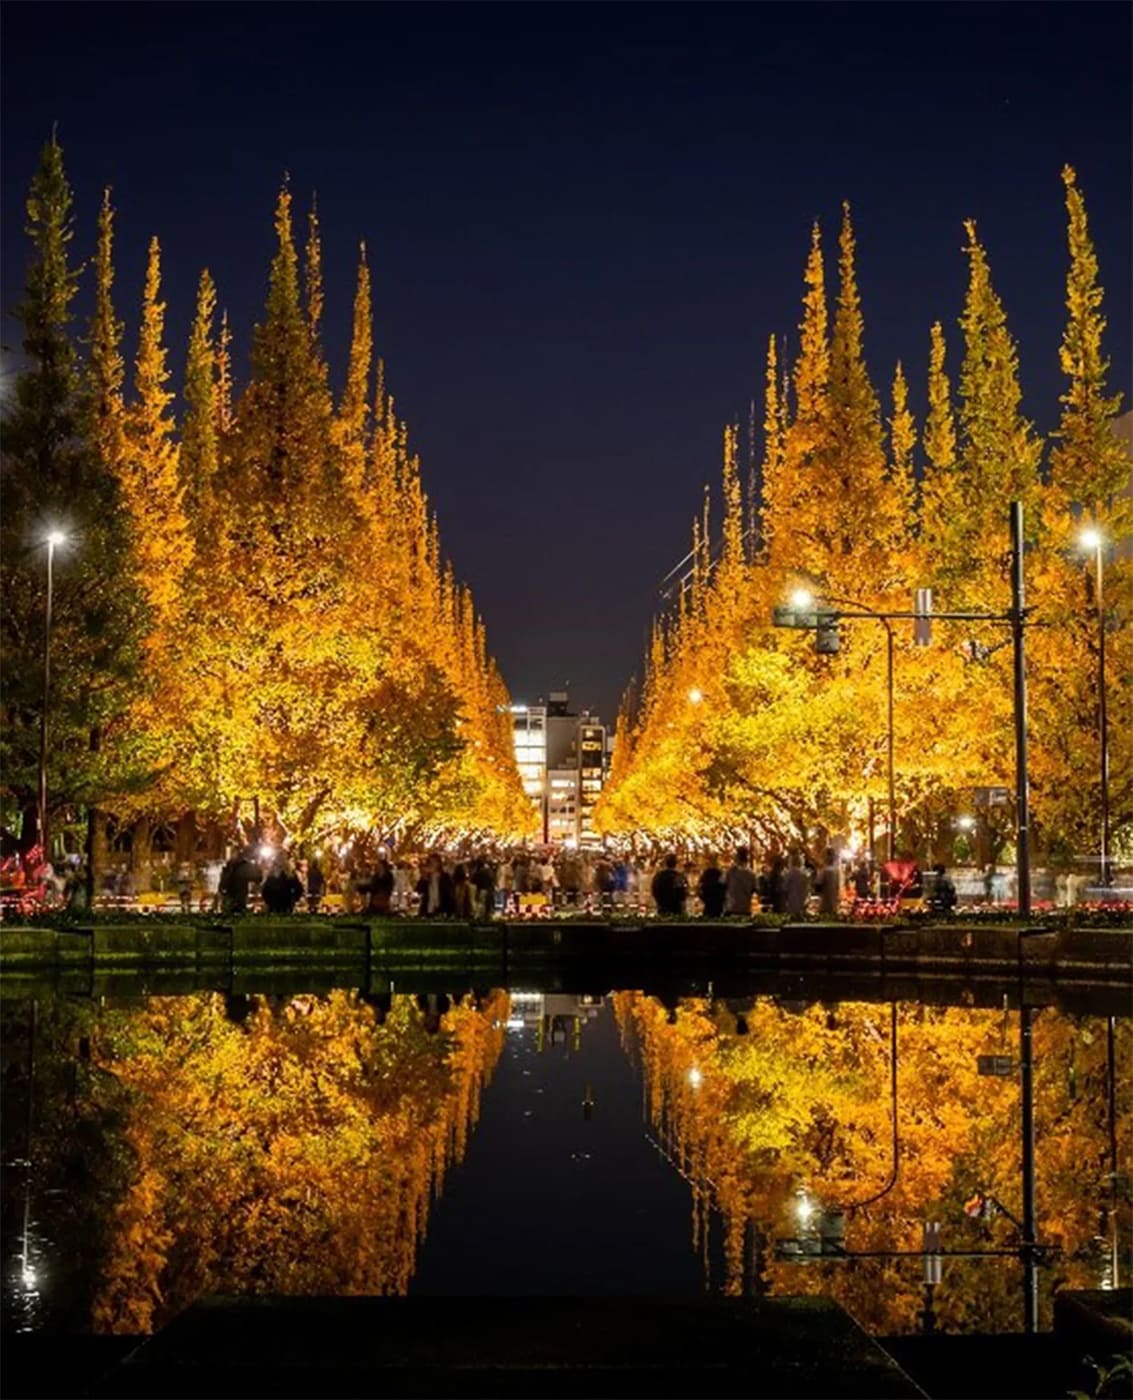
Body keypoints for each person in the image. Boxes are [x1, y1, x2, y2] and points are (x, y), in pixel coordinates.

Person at [219, 847, 261, 915]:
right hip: (233, 898)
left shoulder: (241, 867)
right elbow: (257, 878)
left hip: (237, 898)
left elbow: (257, 878)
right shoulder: (230, 867)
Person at [724, 847, 757, 916]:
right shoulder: (751, 873)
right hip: (745, 907)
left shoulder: (731, 872)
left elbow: (722, 883)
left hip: (731, 907)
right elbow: (755, 889)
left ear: (737, 857)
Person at [785, 851, 809, 918]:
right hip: (802, 899)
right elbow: (807, 889)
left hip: (791, 900)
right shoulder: (804, 874)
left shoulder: (789, 874)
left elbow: (784, 887)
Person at [818, 847, 841, 916]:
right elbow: (837, 886)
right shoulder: (836, 871)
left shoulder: (824, 870)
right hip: (833, 902)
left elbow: (818, 884)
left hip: (825, 903)